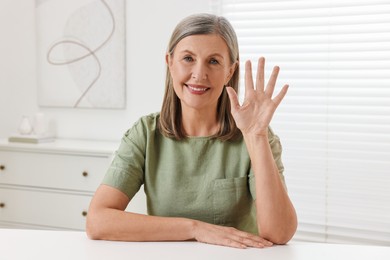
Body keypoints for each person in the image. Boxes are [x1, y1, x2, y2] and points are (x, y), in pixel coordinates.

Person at [86, 13, 297, 249]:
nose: (199, 74)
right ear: (170, 62)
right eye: (188, 58)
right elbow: (98, 221)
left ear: (230, 71)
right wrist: (195, 229)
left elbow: (279, 233)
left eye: (214, 61)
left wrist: (256, 137)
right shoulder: (145, 134)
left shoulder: (254, 135)